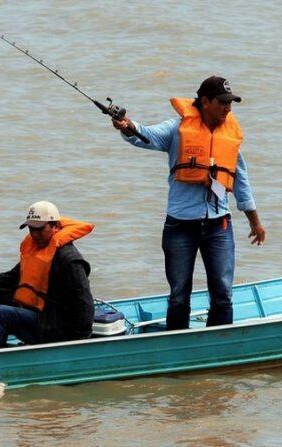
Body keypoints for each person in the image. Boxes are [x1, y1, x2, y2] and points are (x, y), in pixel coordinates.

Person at [112, 75, 266, 330]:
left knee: (223, 294)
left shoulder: (229, 137)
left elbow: (241, 182)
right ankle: (176, 344)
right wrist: (126, 125)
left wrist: (255, 222)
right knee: (179, 295)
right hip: (180, 226)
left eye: (230, 103)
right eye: (223, 102)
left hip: (219, 225)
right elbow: (144, 134)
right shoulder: (176, 130)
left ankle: (219, 345)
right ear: (205, 102)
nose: (228, 108)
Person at [0, 201, 95, 349]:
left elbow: (84, 302)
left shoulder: (68, 259)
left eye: (40, 229)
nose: (35, 235)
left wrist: (80, 342)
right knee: (0, 297)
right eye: (31, 229)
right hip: (42, 315)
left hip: (57, 328)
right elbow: (11, 279)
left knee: (0, 314)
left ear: (55, 226)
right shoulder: (37, 251)